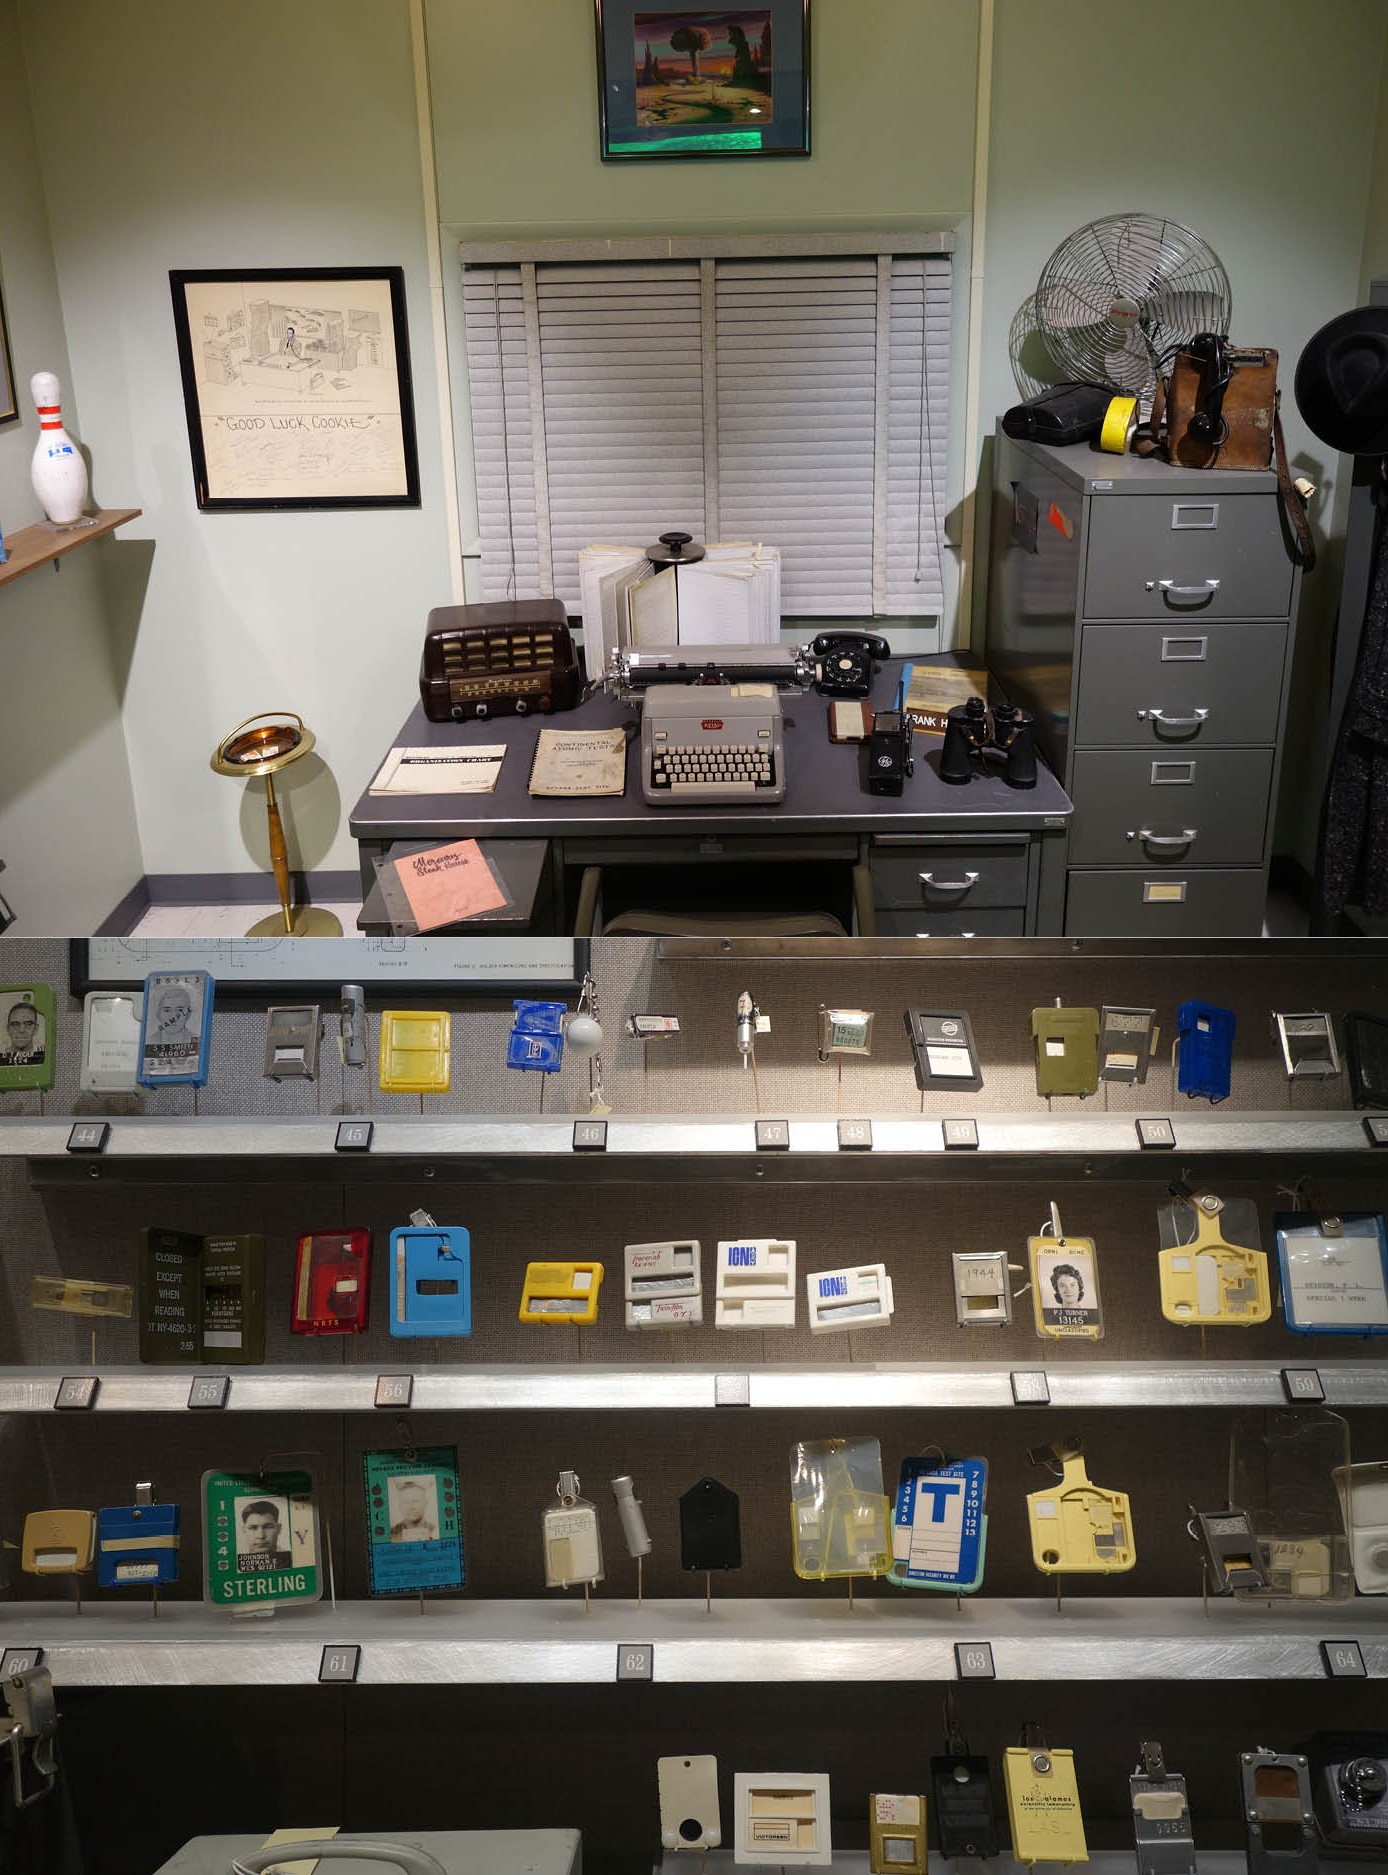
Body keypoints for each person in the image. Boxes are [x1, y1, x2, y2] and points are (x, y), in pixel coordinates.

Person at [238, 1499, 291, 1570]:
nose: (261, 1536)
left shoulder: (292, 1559)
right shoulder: (236, 1563)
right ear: (244, 1530)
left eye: (268, 1527)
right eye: (253, 1528)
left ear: (279, 1529)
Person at [390, 1478, 438, 1544]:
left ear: (425, 1503)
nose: (410, 1507)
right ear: (399, 1505)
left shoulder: (436, 1531)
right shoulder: (391, 1534)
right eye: (405, 1502)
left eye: (415, 1501)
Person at [0, 1000, 43, 1066]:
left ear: (36, 1029)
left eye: (28, 1024)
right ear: (8, 1029)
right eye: (16, 1024)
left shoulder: (42, 1057)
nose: (21, 1030)